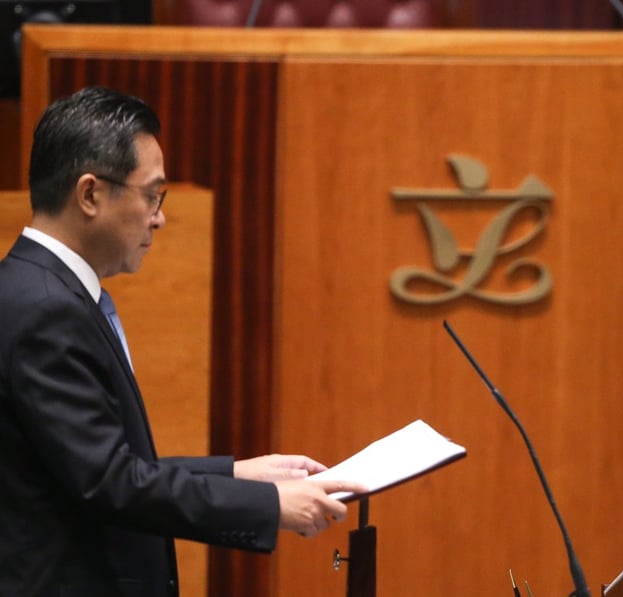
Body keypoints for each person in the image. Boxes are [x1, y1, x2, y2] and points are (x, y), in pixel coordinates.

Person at [0, 86, 364, 596]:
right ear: (89, 194)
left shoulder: (39, 289)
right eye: (151, 195)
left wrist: (237, 475)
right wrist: (270, 506)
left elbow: (94, 466)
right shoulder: (45, 308)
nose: (159, 217)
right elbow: (108, 484)